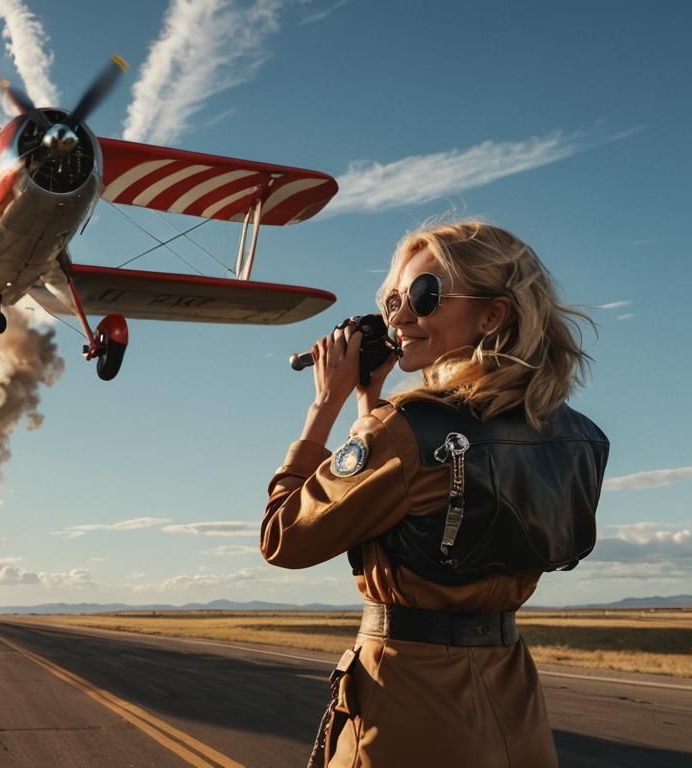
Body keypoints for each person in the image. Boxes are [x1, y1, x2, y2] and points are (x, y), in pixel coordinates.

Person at [261, 220, 609, 768]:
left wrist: (323, 408)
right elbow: (415, 503)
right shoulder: (579, 437)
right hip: (514, 704)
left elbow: (284, 538)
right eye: (393, 299)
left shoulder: (405, 431)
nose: (399, 317)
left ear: (492, 314)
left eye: (424, 296)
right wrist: (368, 405)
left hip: (408, 704)